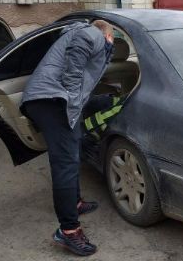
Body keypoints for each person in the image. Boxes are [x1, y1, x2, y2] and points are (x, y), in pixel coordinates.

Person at [20, 19, 115, 256]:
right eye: (114, 40)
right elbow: (76, 70)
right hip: (52, 100)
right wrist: (72, 100)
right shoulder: (91, 33)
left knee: (72, 153)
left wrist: (94, 101)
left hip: (47, 98)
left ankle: (74, 203)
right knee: (66, 163)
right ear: (109, 35)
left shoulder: (83, 36)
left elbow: (83, 86)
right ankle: (69, 231)